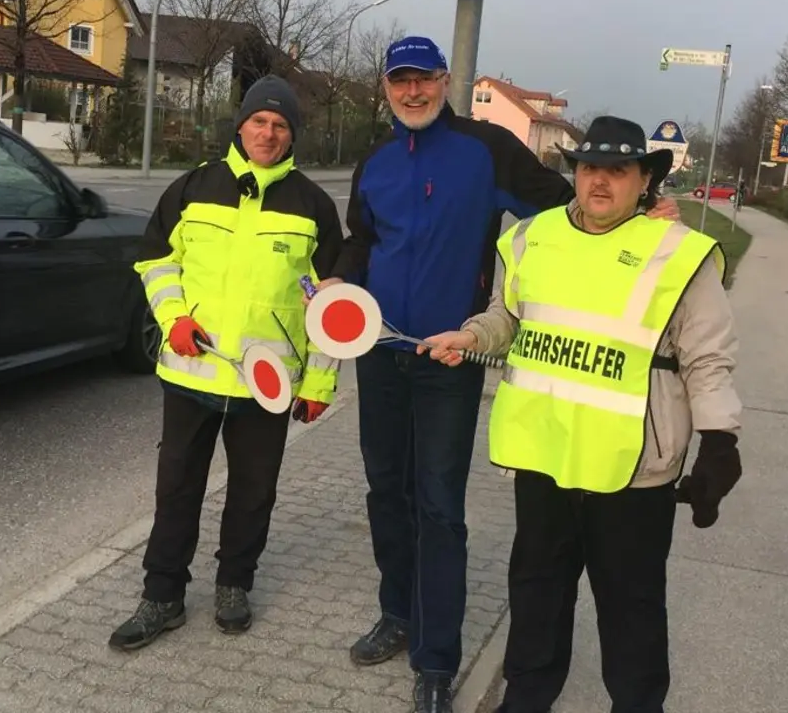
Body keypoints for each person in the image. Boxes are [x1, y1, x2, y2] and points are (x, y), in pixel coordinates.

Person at [420, 115, 746, 713]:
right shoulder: (531, 238)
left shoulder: (678, 253)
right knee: (536, 594)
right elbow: (508, 317)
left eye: (618, 170)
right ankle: (526, 699)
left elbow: (707, 359)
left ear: (644, 180)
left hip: (633, 467)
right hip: (545, 454)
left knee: (631, 607)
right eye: (590, 167)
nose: (600, 180)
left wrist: (719, 440)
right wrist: (470, 337)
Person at [313, 36, 577, 713]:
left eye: (423, 79)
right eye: (399, 81)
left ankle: (436, 660)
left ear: (445, 79)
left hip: (449, 358)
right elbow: (363, 240)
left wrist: (642, 212)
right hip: (379, 353)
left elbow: (562, 211)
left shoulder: (486, 149)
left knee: (438, 507)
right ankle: (398, 612)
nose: (412, 92)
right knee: (385, 491)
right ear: (385, 87)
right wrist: (338, 279)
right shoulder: (374, 161)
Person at [110, 75, 344, 651]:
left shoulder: (313, 207)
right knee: (177, 488)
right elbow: (157, 262)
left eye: (280, 125)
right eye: (259, 121)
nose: (268, 133)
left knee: (253, 492)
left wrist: (318, 383)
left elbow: (332, 309)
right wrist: (174, 319)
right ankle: (162, 595)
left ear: (293, 135)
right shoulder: (192, 188)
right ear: (240, 126)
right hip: (192, 372)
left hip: (267, 385)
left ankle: (235, 584)